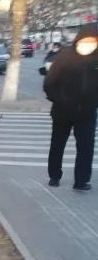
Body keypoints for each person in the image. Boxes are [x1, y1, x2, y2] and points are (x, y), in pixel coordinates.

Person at [43, 23, 98, 191]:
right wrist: (59, 100)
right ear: (78, 40)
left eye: (93, 41)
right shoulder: (65, 57)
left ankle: (81, 181)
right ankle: (54, 176)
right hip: (62, 111)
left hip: (87, 112)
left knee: (86, 147)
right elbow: (49, 83)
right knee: (58, 144)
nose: (89, 44)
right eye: (86, 41)